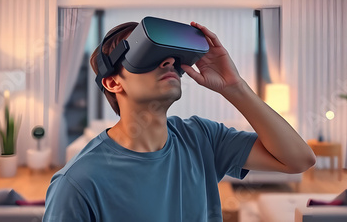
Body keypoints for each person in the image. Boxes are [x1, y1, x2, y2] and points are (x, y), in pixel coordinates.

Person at [44, 20, 316, 222]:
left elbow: (299, 160)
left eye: (171, 56)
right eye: (146, 54)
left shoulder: (202, 137)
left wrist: (234, 87)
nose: (170, 62)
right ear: (113, 82)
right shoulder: (77, 183)